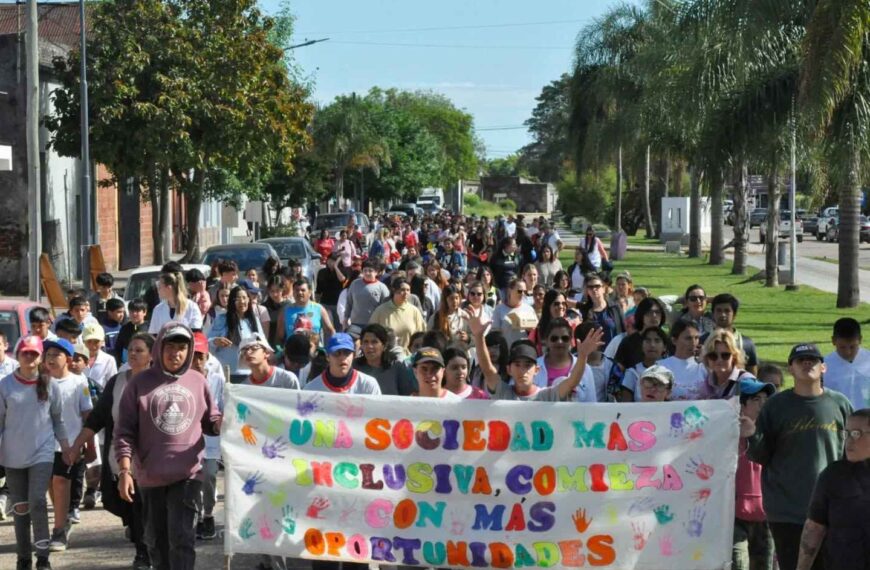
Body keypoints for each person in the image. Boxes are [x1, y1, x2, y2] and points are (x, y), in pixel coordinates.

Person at [115, 322, 222, 570]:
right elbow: (124, 432)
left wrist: (221, 423)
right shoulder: (139, 384)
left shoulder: (198, 381)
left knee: (183, 540)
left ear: (189, 350)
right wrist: (124, 471)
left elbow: (211, 420)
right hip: (150, 476)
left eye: (182, 348)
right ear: (159, 348)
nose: (176, 353)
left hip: (188, 474)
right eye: (170, 347)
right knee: (156, 542)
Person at [744, 343, 853, 570]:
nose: (807, 364)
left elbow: (854, 455)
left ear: (823, 368)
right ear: (790, 369)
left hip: (833, 510)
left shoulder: (840, 404)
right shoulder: (775, 406)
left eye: (812, 360)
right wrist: (752, 436)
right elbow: (760, 455)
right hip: (787, 511)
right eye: (800, 360)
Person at [67, 333, 154, 569]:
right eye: (130, 350)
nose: (133, 354)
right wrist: (78, 444)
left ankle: (143, 552)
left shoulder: (158, 381)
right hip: (120, 454)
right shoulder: (117, 382)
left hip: (151, 458)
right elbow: (98, 418)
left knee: (141, 508)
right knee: (114, 501)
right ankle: (139, 535)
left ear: (151, 355)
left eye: (139, 350)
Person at [0, 336, 71, 570]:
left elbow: (58, 421)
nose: (29, 357)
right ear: (17, 355)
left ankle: (43, 557)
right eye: (25, 353)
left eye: (34, 353)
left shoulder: (50, 385)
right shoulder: (5, 385)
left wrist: (67, 447)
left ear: (40, 357)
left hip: (42, 452)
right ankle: (23, 558)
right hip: (12, 455)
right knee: (20, 507)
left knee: (38, 501)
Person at [470, 307, 604, 402]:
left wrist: (583, 356)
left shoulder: (546, 396)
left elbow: (572, 382)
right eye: (517, 365)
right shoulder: (503, 392)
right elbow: (487, 370)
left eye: (528, 365)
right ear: (508, 370)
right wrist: (478, 337)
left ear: (537, 369)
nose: (523, 370)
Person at [797, 408, 870, 570]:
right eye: (847, 433)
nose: (849, 441)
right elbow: (814, 527)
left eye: (857, 434)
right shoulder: (833, 475)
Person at [42, 338, 92, 552]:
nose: (51, 359)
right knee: (51, 485)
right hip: (43, 444)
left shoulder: (79, 382)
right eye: (48, 355)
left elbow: (87, 414)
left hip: (70, 443)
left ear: (68, 359)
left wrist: (89, 446)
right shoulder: (40, 382)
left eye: (56, 355)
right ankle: (63, 518)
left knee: (61, 482)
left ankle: (59, 531)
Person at [732, 378, 776, 570]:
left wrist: (754, 435)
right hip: (733, 515)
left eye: (766, 399)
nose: (763, 404)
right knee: (738, 565)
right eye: (756, 399)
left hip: (766, 514)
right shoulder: (725, 433)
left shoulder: (774, 432)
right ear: (742, 404)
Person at [208, 285, 265, 384]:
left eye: (244, 298)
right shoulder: (222, 319)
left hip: (250, 373)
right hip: (227, 373)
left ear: (249, 300)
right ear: (232, 302)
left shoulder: (253, 320)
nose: (242, 302)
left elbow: (263, 343)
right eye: (238, 299)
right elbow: (208, 342)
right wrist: (216, 341)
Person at [534, 318, 597, 403]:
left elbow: (591, 403)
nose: (560, 342)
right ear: (547, 341)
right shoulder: (533, 365)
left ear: (571, 341)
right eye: (554, 338)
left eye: (565, 338)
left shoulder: (585, 368)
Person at [303, 333, 382, 401]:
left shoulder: (368, 385)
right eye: (336, 353)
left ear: (354, 355)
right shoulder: (311, 389)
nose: (342, 357)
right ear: (327, 357)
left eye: (347, 353)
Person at [702, 293, 758, 375]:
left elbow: (752, 374)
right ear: (713, 314)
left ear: (734, 315)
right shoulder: (703, 340)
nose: (722, 315)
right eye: (719, 310)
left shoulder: (747, 343)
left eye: (727, 311)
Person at [369, 278, 427, 356]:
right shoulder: (381, 310)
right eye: (402, 290)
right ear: (394, 290)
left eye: (408, 290)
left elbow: (421, 334)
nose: (406, 293)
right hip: (385, 356)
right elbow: (371, 333)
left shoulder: (414, 311)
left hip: (408, 357)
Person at [822, 317, 870, 410]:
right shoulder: (824, 365)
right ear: (833, 341)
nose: (848, 352)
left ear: (860, 340)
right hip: (839, 416)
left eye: (852, 347)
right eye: (842, 347)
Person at [354, 325, 415, 396]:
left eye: (374, 342)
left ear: (384, 346)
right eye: (366, 342)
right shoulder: (354, 367)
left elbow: (407, 397)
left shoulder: (397, 368)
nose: (369, 346)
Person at [276, 277, 335, 346]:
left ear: (310, 292)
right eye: (297, 290)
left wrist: (329, 350)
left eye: (303, 290)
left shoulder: (319, 308)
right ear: (293, 292)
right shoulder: (285, 310)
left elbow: (330, 331)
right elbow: (279, 337)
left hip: (314, 352)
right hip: (293, 353)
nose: (300, 292)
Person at [617, 326, 671, 402]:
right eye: (648, 341)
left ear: (664, 347)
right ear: (641, 346)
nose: (652, 345)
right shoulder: (632, 372)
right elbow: (626, 405)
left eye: (657, 341)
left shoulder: (671, 370)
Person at [698, 329, 754, 400]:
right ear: (707, 358)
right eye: (713, 356)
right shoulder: (706, 383)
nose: (719, 360)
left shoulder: (747, 382)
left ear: (734, 357)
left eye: (725, 355)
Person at [658, 320, 706, 400]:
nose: (693, 343)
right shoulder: (661, 367)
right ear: (674, 340)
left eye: (696, 338)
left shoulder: (704, 367)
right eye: (688, 338)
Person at [344, 260, 392, 335]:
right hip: (355, 324)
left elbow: (386, 307)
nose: (367, 273)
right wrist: (345, 319)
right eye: (365, 270)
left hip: (374, 325)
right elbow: (349, 303)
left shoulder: (382, 287)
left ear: (376, 272)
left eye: (370, 271)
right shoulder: (355, 284)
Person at [578, 273, 624, 345]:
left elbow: (623, 331)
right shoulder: (585, 311)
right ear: (587, 291)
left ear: (603, 288)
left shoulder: (615, 308)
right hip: (594, 354)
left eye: (597, 286)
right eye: (590, 287)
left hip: (614, 352)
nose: (594, 289)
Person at [491, 278, 537, 348]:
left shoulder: (529, 309)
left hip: (524, 351)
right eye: (519, 291)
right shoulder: (499, 309)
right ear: (510, 290)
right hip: (506, 351)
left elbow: (536, 326)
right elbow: (495, 333)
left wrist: (521, 323)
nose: (522, 294)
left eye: (525, 291)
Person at [316, 253, 346, 333]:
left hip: (338, 304)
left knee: (339, 327)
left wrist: (336, 267)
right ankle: (328, 345)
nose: (331, 262)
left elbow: (342, 280)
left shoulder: (343, 271)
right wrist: (316, 303)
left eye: (334, 261)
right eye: (329, 260)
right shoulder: (322, 272)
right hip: (325, 303)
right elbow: (318, 289)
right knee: (328, 327)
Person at [114, 299, 149, 366]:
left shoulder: (150, 328)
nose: (134, 314)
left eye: (137, 311)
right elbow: (118, 348)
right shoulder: (125, 328)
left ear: (144, 312)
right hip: (127, 365)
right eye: (131, 311)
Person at [82, 323, 118, 389]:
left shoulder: (109, 360)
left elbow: (113, 385)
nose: (92, 346)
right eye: (89, 341)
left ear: (102, 341)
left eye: (96, 342)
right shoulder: (77, 359)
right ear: (83, 341)